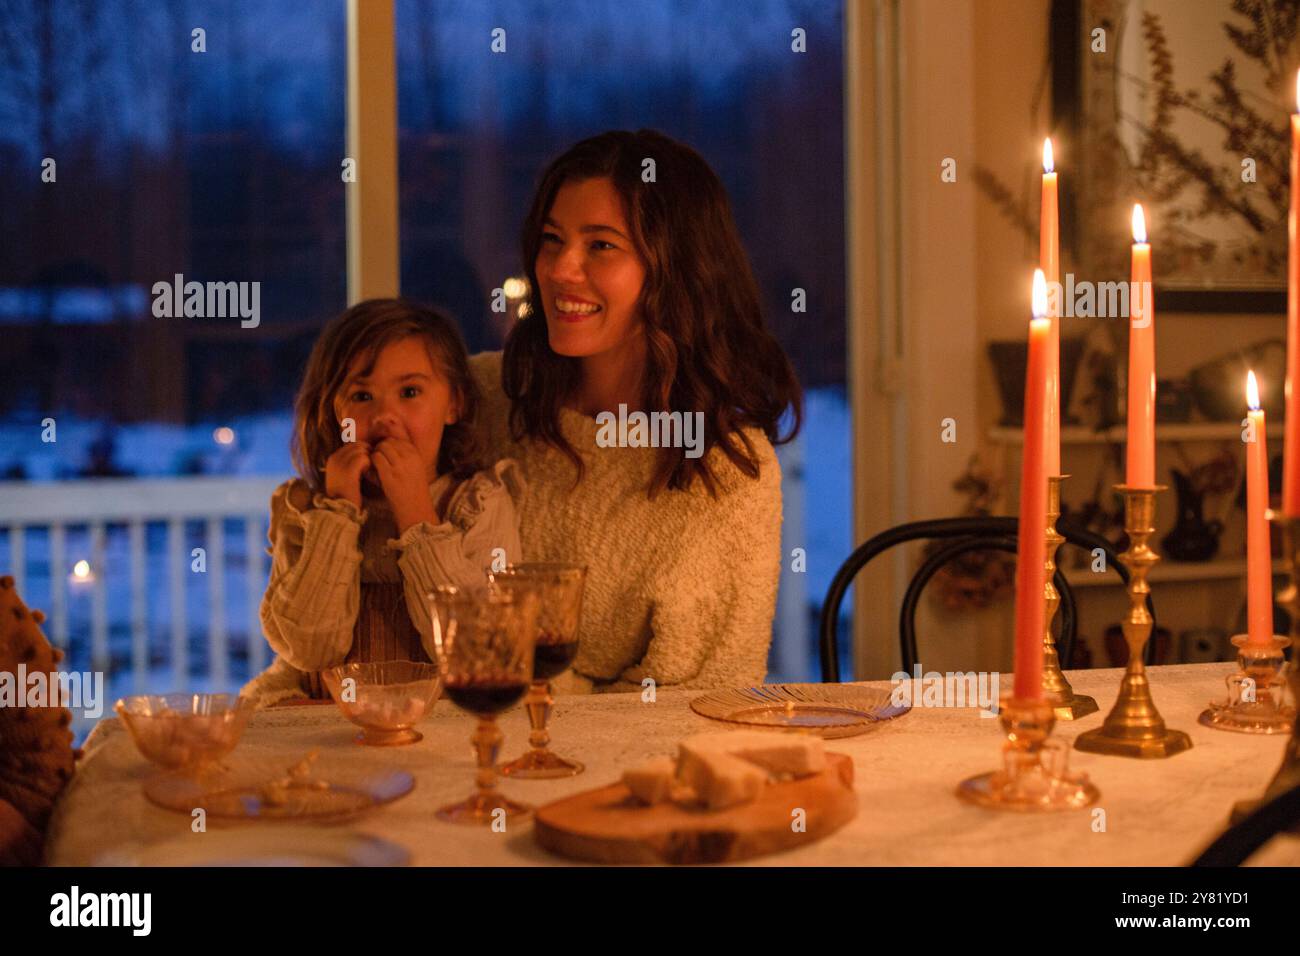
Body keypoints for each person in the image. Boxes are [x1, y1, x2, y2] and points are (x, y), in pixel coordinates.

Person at [470, 129, 802, 693]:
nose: (559, 269)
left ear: (676, 270)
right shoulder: (482, 400)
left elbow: (705, 703)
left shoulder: (724, 469)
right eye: (552, 239)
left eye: (600, 245)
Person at [243, 299, 522, 707]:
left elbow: (477, 654)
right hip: (335, 731)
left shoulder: (479, 503)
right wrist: (336, 514)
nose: (384, 415)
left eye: (410, 392)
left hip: (444, 733)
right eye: (361, 395)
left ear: (454, 404)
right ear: (333, 411)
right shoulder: (305, 509)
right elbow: (308, 649)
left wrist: (416, 516)